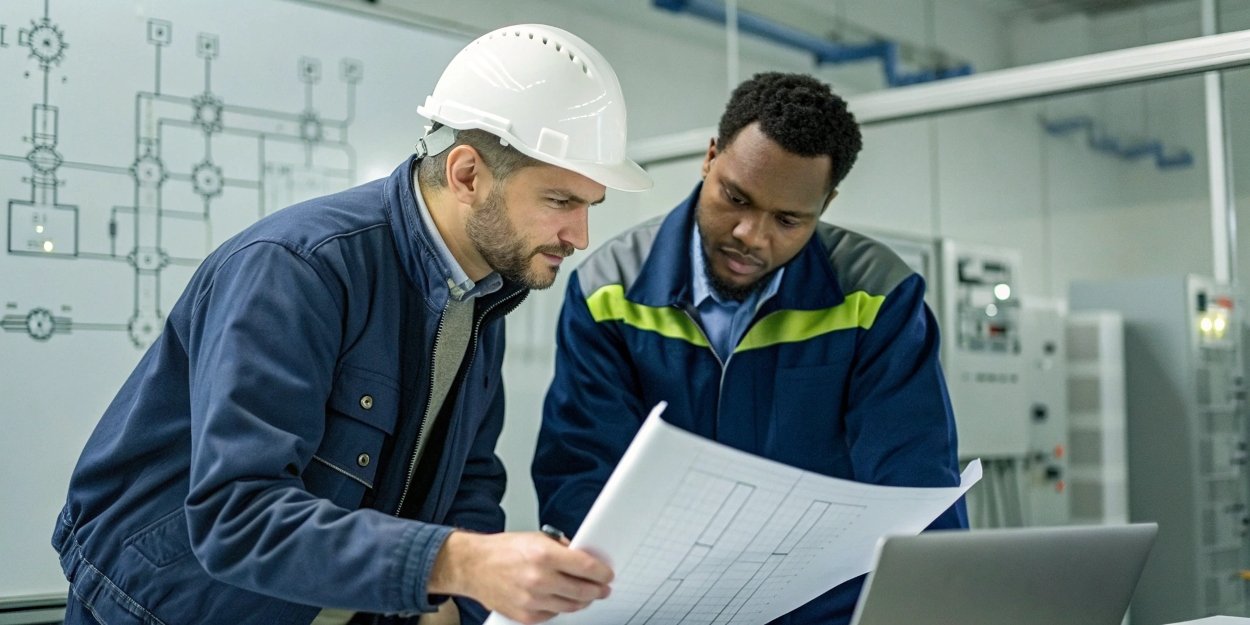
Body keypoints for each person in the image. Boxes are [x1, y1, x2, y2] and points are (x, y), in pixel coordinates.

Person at [52, 24, 650, 625]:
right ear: (468, 175)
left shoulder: (484, 293)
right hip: (163, 611)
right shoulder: (297, 269)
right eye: (559, 202)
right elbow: (237, 514)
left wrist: (456, 604)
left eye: (588, 206)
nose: (580, 237)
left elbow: (467, 479)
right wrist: (460, 564)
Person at [532, 71, 967, 625]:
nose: (750, 235)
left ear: (826, 203)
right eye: (735, 198)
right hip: (664, 611)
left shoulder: (877, 298)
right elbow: (582, 478)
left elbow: (916, 491)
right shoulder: (609, 290)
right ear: (710, 158)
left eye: (788, 220)